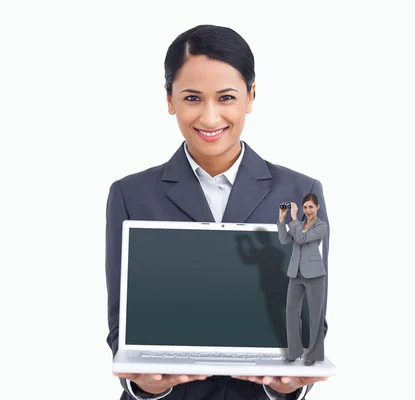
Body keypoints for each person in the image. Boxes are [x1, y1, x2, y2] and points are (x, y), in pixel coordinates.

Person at [105, 24, 330, 400]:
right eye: (192, 98)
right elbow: (121, 326)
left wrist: (290, 386)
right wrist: (143, 385)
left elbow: (313, 316)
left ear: (250, 96)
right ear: (169, 98)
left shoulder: (300, 193)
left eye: (226, 97)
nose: (210, 119)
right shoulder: (130, 195)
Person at [277, 195, 328, 366]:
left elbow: (302, 239)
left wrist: (294, 219)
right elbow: (284, 240)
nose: (307, 211)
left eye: (311, 207)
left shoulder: (321, 226)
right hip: (295, 273)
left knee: (315, 315)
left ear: (317, 207)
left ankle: (313, 354)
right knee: (291, 312)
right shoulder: (298, 224)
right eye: (305, 207)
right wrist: (282, 219)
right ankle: (294, 351)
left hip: (314, 274)